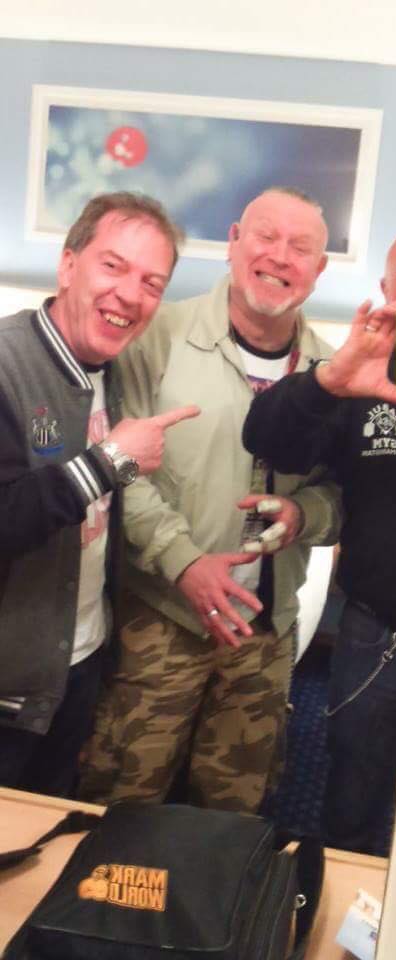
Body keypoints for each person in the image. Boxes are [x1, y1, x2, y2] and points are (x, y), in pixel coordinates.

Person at [79, 187, 342, 812]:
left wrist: (305, 514)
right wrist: (185, 562)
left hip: (264, 634)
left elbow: (341, 494)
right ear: (233, 241)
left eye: (300, 247)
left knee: (232, 818)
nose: (279, 256)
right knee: (121, 805)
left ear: (319, 269)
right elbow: (120, 467)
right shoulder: (157, 336)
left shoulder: (334, 372)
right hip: (162, 618)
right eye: (265, 236)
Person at [242, 222, 396, 855]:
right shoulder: (366, 369)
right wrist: (328, 382)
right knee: (352, 800)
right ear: (386, 286)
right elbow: (269, 441)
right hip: (378, 633)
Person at [0, 191, 199, 797]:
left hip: (78, 666)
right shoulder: (6, 364)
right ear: (68, 265)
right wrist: (109, 462)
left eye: (151, 283)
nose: (130, 294)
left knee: (45, 836)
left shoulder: (114, 374)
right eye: (113, 266)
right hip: (7, 690)